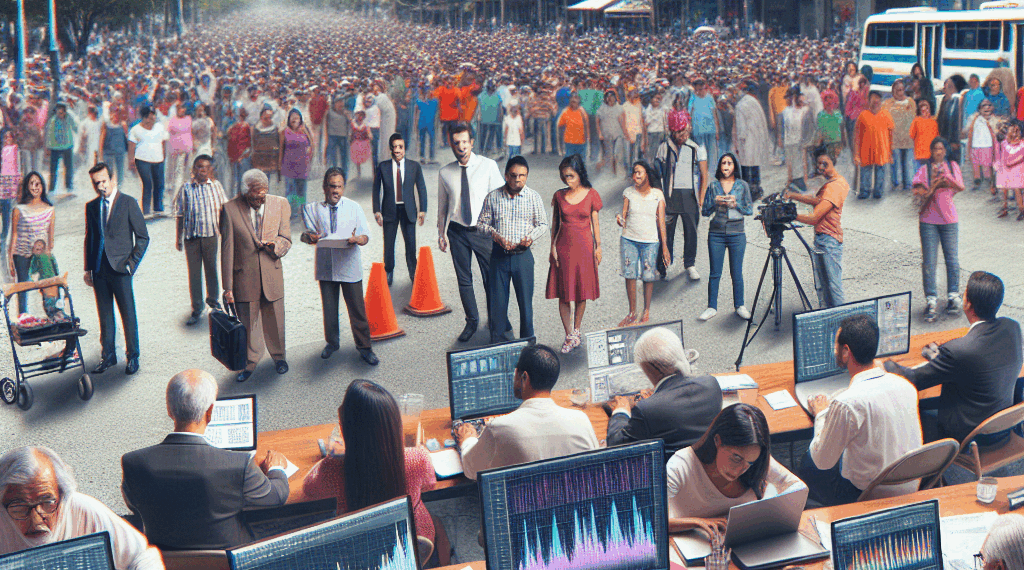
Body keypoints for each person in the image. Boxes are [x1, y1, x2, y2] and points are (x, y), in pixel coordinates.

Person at [121, 369, 289, 550]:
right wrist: (276, 469)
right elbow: (276, 496)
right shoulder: (239, 464)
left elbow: (134, 505)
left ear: (169, 410)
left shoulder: (133, 462)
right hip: (225, 558)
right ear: (210, 412)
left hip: (166, 557)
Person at [884, 271, 1023, 446]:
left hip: (969, 438)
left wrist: (883, 362)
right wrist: (940, 358)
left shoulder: (959, 351)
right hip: (1002, 430)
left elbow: (911, 379)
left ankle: (926, 469)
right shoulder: (1013, 328)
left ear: (967, 303)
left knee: (915, 409)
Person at [799, 314, 923, 507]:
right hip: (909, 485)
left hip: (867, 495)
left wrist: (822, 413)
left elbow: (823, 461)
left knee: (809, 461)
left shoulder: (846, 403)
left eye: (836, 346)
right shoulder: (906, 386)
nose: (835, 350)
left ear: (846, 351)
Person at [302, 380, 437, 542]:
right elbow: (430, 485)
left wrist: (330, 455)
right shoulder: (419, 457)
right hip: (415, 537)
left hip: (360, 541)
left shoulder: (333, 467)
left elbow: (309, 489)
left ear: (345, 429)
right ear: (395, 425)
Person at [0, 446, 162, 569]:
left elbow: (143, 555)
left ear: (62, 496)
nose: (36, 520)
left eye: (47, 502)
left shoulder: (83, 509)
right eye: (18, 507)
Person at [456, 344, 598, 480]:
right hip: (570, 502)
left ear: (524, 377)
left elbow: (471, 470)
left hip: (521, 503)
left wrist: (467, 440)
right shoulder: (581, 420)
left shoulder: (500, 428)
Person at [666, 404, 804, 534]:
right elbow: (652, 522)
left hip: (745, 542)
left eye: (750, 463)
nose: (740, 470)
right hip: (691, 547)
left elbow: (798, 488)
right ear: (717, 440)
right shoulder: (680, 466)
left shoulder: (757, 462)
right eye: (736, 458)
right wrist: (697, 523)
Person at [607, 327, 722, 460]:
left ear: (646, 368)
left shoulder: (647, 410)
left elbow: (616, 446)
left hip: (671, 475)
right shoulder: (711, 384)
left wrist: (621, 410)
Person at [221, 169, 292, 382]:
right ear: (245, 192)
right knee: (248, 324)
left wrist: (276, 247)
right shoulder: (229, 209)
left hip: (271, 274)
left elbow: (286, 238)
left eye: (264, 194)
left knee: (276, 320)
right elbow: (227, 249)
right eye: (255, 195)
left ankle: (279, 357)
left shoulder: (280, 204)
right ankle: (250, 363)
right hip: (244, 277)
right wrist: (228, 288)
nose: (260, 199)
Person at [437, 122, 505, 343]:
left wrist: (501, 232)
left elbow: (500, 200)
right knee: (464, 280)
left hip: (483, 231)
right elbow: (443, 206)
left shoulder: (488, 166)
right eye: (456, 143)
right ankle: (471, 321)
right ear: (451, 145)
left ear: (472, 142)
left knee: (490, 278)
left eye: (465, 142)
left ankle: (497, 321)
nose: (461, 147)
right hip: (457, 231)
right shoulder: (445, 172)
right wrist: (441, 233)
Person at [303, 168, 378, 365]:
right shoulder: (313, 209)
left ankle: (364, 347)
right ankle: (332, 343)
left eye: (339, 186)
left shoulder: (354, 208)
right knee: (329, 308)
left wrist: (358, 239)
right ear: (324, 187)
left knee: (356, 309)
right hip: (326, 266)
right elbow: (307, 235)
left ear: (344, 187)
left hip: (349, 265)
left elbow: (365, 235)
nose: (336, 191)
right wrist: (310, 237)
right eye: (332, 186)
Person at [84, 163, 148, 376]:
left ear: (113, 179)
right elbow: (90, 238)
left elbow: (142, 237)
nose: (100, 186)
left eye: (103, 181)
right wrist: (88, 268)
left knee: (127, 313)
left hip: (121, 268)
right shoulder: (92, 207)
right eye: (96, 183)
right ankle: (108, 355)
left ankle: (133, 356)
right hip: (99, 269)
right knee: (105, 314)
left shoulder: (128, 203)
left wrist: (131, 264)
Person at [475, 155, 547, 344]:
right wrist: (495, 235)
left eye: (522, 175)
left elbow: (543, 224)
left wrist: (530, 238)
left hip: (523, 258)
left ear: (527, 176)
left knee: (526, 306)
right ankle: (498, 344)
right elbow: (481, 224)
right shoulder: (493, 197)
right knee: (498, 306)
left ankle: (528, 348)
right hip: (499, 257)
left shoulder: (533, 197)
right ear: (506, 176)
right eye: (514, 175)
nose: (518, 180)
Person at [546, 154, 602, 354]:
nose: (566, 180)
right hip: (563, 247)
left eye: (570, 176)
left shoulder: (592, 194)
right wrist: (552, 246)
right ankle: (568, 334)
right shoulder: (559, 196)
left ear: (580, 174)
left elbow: (595, 224)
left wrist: (598, 247)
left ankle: (577, 330)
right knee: (563, 293)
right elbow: (555, 223)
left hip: (585, 247)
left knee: (581, 291)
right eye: (564, 176)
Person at [785, 147, 849, 308]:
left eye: (824, 163)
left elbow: (814, 218)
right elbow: (818, 201)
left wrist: (791, 215)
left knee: (832, 288)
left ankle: (840, 323)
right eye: (818, 164)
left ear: (833, 160)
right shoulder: (834, 183)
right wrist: (793, 195)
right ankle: (829, 319)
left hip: (829, 241)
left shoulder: (834, 187)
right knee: (823, 286)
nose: (821, 167)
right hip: (824, 239)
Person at [911, 137, 964, 323]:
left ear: (946, 151)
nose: (938, 152)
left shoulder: (952, 166)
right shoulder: (924, 170)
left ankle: (953, 296)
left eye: (941, 149)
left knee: (952, 259)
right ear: (931, 151)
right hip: (928, 220)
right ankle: (931, 299)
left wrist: (946, 178)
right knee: (929, 261)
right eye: (935, 149)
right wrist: (934, 185)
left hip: (949, 219)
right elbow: (917, 193)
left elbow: (960, 187)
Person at [172, 155, 227, 326]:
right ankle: (197, 308)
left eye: (206, 167)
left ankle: (213, 302)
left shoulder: (216, 187)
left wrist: (225, 232)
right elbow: (180, 214)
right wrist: (178, 238)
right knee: (194, 273)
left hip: (210, 235)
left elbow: (224, 211)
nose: (202, 171)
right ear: (193, 169)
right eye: (199, 167)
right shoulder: (186, 188)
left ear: (211, 170)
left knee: (211, 269)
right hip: (191, 238)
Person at [654, 110, 707, 281]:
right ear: (672, 131)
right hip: (669, 195)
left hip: (689, 194)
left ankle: (690, 264)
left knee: (691, 230)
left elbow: (704, 175)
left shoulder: (696, 147)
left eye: (684, 130)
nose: (681, 135)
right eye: (677, 132)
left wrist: (701, 198)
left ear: (689, 128)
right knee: (665, 232)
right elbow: (656, 173)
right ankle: (661, 267)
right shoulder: (664, 147)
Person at [699, 153, 753, 322]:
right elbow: (705, 211)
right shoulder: (714, 186)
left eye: (729, 163)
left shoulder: (742, 185)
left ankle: (740, 305)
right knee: (715, 272)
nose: (726, 166)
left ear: (734, 166)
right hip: (716, 233)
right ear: (720, 167)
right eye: (723, 163)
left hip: (737, 233)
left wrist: (736, 204)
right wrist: (716, 202)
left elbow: (749, 210)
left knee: (736, 272)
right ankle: (711, 307)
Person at [615, 160, 668, 327]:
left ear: (647, 174)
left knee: (648, 275)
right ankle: (632, 312)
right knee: (630, 275)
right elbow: (623, 214)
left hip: (650, 242)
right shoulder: (628, 193)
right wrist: (620, 219)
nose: (636, 175)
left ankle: (646, 310)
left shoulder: (657, 194)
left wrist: (665, 247)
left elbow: (661, 222)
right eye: (634, 172)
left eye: (639, 172)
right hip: (629, 239)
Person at [372, 133, 427, 287]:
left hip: (408, 210)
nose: (397, 150)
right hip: (389, 210)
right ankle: (389, 271)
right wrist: (377, 210)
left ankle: (412, 271)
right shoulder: (383, 167)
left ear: (404, 148)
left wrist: (423, 210)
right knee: (389, 244)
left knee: (411, 244)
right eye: (394, 147)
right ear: (391, 148)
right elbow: (376, 190)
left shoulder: (413, 166)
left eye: (400, 147)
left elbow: (421, 187)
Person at [8, 173, 55, 315]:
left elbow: (50, 239)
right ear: (27, 187)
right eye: (32, 184)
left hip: (41, 254)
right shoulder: (19, 209)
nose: (35, 187)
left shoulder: (49, 209)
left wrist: (47, 255)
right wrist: (10, 257)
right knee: (23, 287)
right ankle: (23, 318)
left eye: (38, 184)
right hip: (21, 253)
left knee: (48, 285)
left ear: (42, 186)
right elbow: (14, 234)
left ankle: (53, 315)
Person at [127, 106, 169, 217]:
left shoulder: (159, 127)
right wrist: (131, 160)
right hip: (142, 160)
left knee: (159, 184)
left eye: (153, 116)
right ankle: (146, 211)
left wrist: (164, 155)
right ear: (144, 118)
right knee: (148, 184)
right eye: (149, 117)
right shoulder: (136, 129)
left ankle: (158, 209)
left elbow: (164, 141)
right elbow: (132, 145)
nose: (152, 119)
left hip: (158, 159)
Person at [733, 81, 770, 203]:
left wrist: (739, 142)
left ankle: (749, 193)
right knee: (755, 165)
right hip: (756, 138)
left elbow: (741, 128)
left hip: (747, 140)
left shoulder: (740, 105)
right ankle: (757, 190)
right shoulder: (756, 103)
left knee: (746, 166)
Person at [854, 91, 894, 199]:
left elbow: (891, 135)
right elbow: (857, 136)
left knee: (880, 172)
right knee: (865, 171)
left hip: (882, 151)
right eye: (873, 98)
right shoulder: (863, 116)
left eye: (878, 98)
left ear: (881, 101)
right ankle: (864, 191)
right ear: (868, 101)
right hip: (866, 151)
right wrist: (856, 154)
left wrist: (890, 152)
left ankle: (878, 190)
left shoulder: (886, 115)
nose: (875, 101)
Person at [883, 80, 916, 192]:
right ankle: (895, 184)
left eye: (901, 90)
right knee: (895, 164)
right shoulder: (887, 104)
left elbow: (915, 119)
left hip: (908, 139)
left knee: (908, 164)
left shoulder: (910, 102)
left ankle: (907, 184)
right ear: (893, 91)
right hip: (894, 140)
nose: (899, 92)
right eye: (897, 90)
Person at [280, 109, 313, 215]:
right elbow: (281, 149)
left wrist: (310, 159)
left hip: (302, 166)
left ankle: (303, 210)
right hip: (289, 165)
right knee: (290, 191)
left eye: (297, 117)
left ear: (300, 119)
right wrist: (278, 165)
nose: (295, 119)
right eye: (292, 117)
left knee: (302, 190)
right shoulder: (285, 131)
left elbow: (312, 144)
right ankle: (293, 212)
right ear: (289, 119)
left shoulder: (304, 130)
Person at [966, 99, 999, 193]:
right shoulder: (975, 119)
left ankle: (990, 184)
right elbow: (968, 131)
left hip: (987, 146)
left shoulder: (994, 119)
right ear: (979, 109)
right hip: (975, 145)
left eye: (989, 105)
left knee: (986, 166)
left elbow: (996, 132)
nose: (986, 107)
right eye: (984, 106)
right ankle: (977, 180)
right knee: (975, 164)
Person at [44, 102, 77, 196]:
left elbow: (75, 127)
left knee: (69, 168)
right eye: (58, 112)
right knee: (53, 169)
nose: (60, 114)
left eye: (62, 112)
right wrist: (48, 147)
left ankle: (69, 187)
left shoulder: (69, 118)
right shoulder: (53, 120)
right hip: (55, 147)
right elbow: (49, 134)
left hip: (67, 146)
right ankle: (51, 189)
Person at [995, 119, 1024, 220]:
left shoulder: (1022, 145)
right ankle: (1006, 207)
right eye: (1011, 132)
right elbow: (1002, 157)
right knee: (1008, 189)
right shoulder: (1004, 144)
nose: (1014, 135)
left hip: (1019, 172)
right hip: (1008, 172)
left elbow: (1019, 158)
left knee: (1017, 189)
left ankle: (1021, 209)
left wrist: (1010, 163)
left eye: (1017, 132)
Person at [596, 90, 624, 176]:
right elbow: (597, 122)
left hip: (618, 134)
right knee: (609, 155)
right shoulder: (601, 108)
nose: (610, 98)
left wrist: (625, 133)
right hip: (606, 135)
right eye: (608, 96)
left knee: (616, 155)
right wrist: (600, 133)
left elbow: (622, 122)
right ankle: (609, 172)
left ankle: (615, 172)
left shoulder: (619, 108)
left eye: (612, 96)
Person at [226, 107, 252, 198]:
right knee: (235, 180)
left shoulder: (246, 126)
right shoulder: (232, 126)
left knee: (242, 179)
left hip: (243, 156)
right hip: (234, 156)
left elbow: (249, 143)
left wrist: (244, 155)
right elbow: (230, 141)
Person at [909, 99, 939, 171]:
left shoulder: (933, 121)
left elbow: (937, 137)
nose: (925, 112)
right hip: (921, 155)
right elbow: (911, 135)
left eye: (926, 109)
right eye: (923, 110)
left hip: (929, 155)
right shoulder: (917, 121)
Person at [557, 93, 589, 160]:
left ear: (579, 101)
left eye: (576, 98)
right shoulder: (565, 112)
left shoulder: (582, 111)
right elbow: (560, 127)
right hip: (569, 142)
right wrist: (560, 146)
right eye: (572, 98)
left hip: (581, 142)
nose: (573, 99)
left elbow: (586, 125)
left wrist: (586, 139)